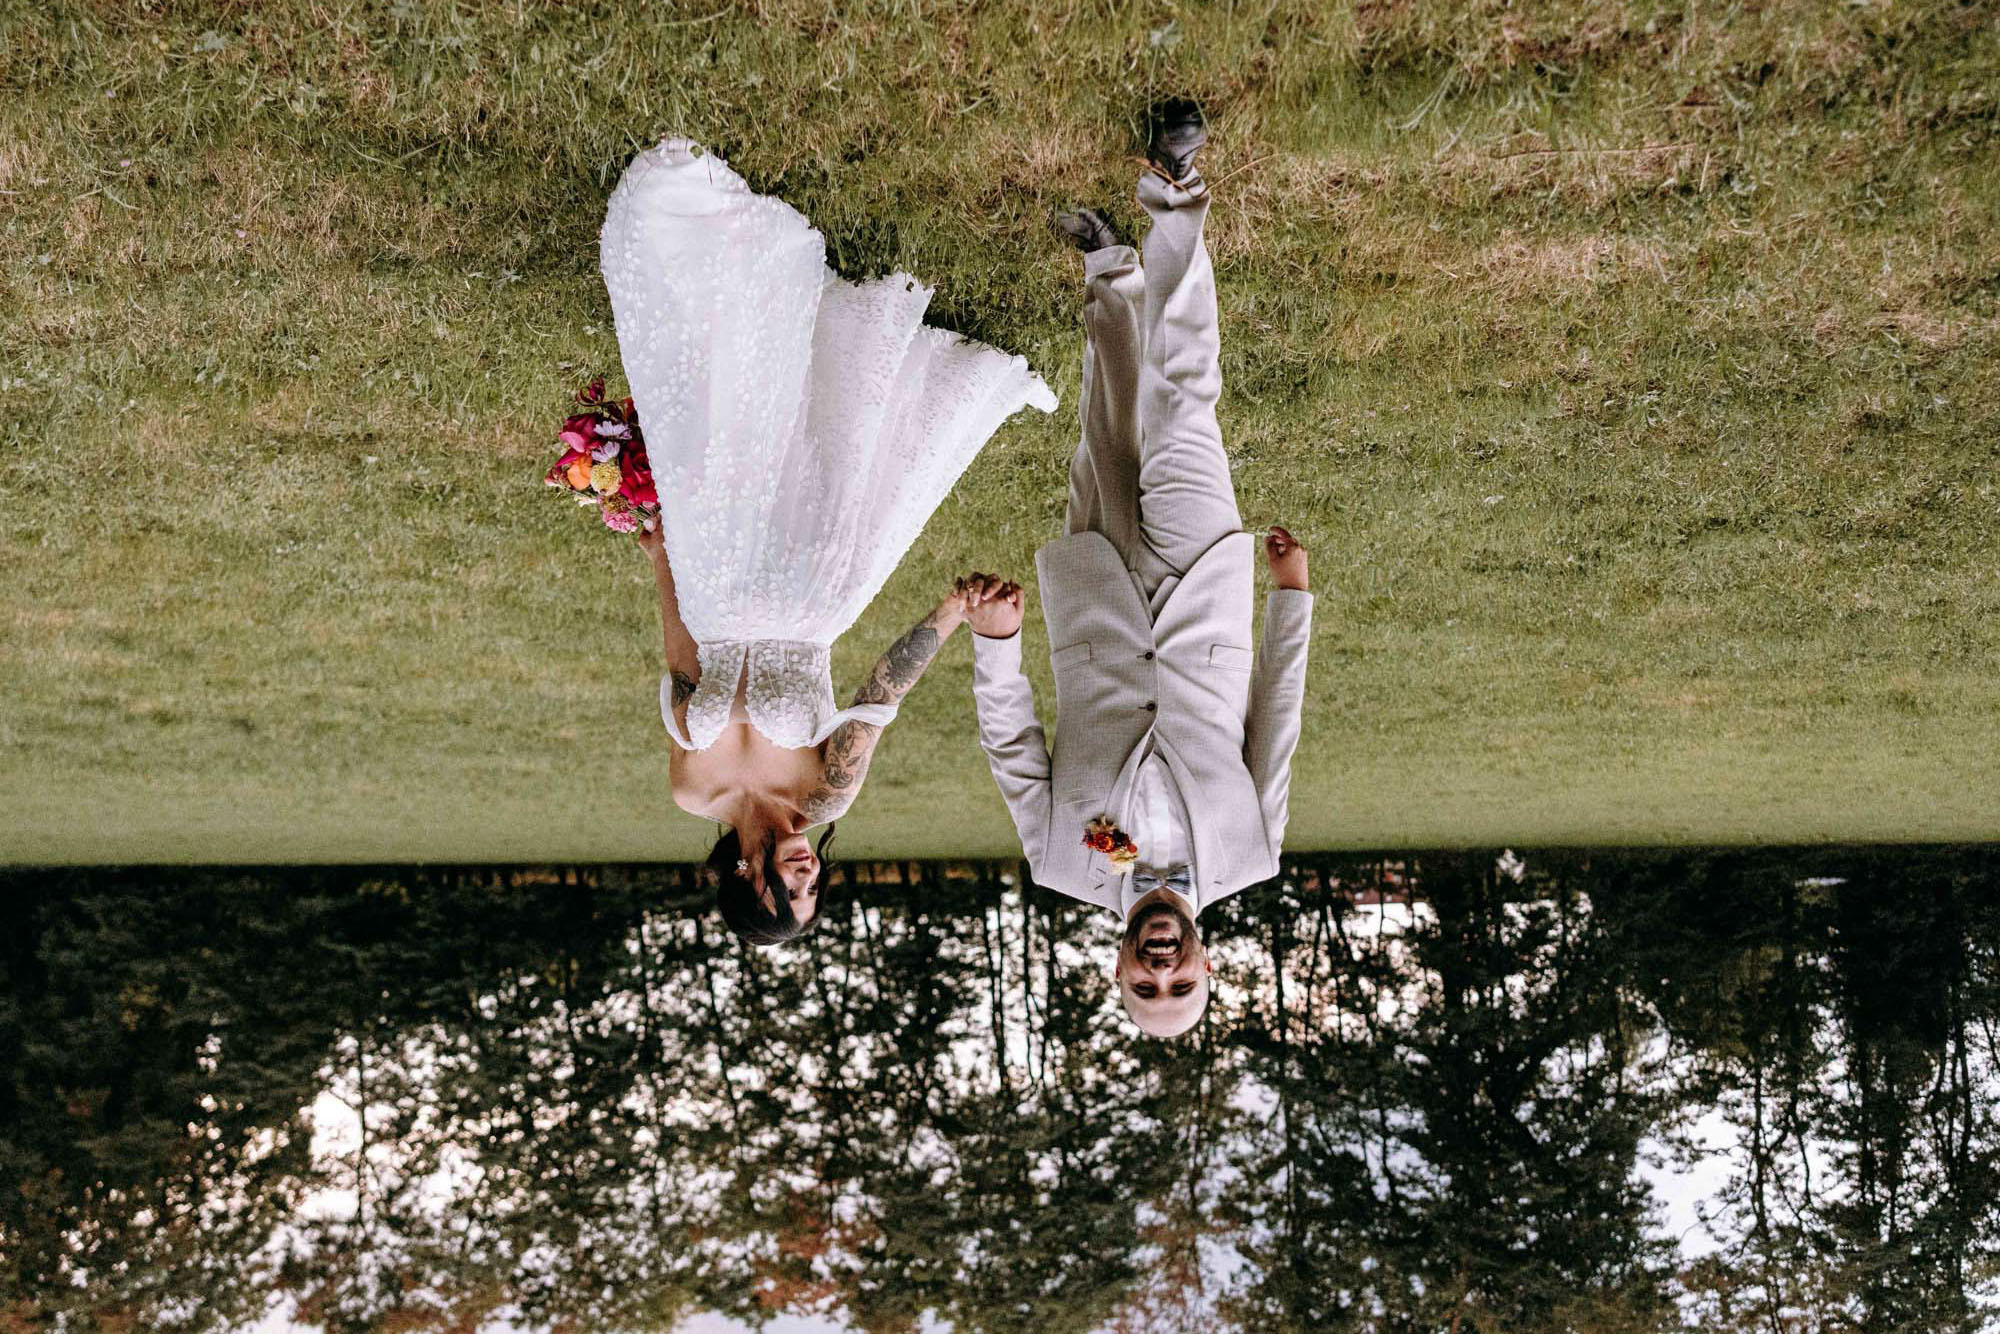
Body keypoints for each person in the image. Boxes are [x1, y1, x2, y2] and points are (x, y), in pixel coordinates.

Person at [600, 139, 1057, 944]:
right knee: (825, 445)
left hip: (711, 587)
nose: (809, 879)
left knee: (733, 436)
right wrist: (949, 613)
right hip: (810, 594)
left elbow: (679, 668)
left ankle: (750, 293)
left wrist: (662, 560)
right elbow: (880, 698)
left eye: (788, 893)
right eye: (814, 895)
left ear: (748, 878)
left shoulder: (690, 789)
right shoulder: (826, 795)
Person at [963, 100, 1313, 1035]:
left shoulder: (1060, 864)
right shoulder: (1251, 856)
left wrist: (997, 646)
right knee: (1184, 408)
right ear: (1208, 969)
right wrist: (1292, 600)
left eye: (1144, 987)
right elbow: (1275, 721)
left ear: (1116, 969)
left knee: (1110, 423)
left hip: (1097, 599)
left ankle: (1109, 272)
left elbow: (1011, 742)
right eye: (1182, 986)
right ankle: (1176, 189)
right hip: (1202, 588)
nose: (1164, 971)